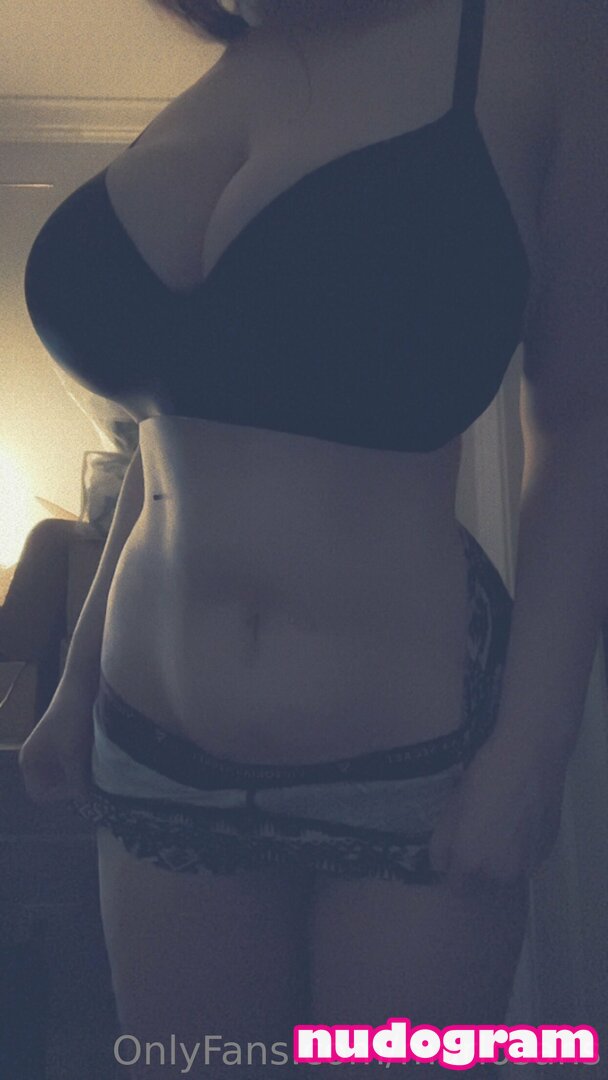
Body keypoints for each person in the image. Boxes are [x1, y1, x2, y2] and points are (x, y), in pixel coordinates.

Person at [18, 0, 607, 1075]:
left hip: (410, 771)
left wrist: (534, 749)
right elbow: (170, 442)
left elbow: (580, 421)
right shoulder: (212, 85)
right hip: (149, 753)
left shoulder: (527, 41)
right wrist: (74, 679)